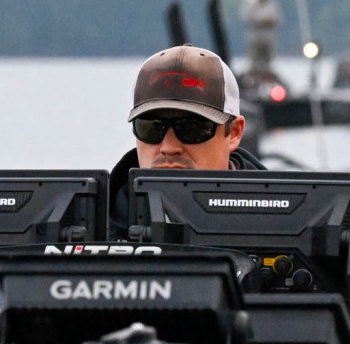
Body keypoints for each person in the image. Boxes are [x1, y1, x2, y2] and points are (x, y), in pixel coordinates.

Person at [109, 44, 265, 239]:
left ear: (234, 132)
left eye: (192, 129)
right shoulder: (90, 224)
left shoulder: (284, 223)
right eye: (151, 128)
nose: (169, 147)